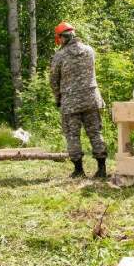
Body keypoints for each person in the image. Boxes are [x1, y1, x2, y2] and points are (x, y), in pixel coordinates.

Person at [50, 22, 107, 179]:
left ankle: (79, 170)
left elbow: (54, 80)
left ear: (62, 38)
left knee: (72, 135)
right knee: (95, 132)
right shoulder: (89, 50)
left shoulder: (59, 55)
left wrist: (58, 98)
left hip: (70, 101)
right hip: (91, 98)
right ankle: (102, 169)